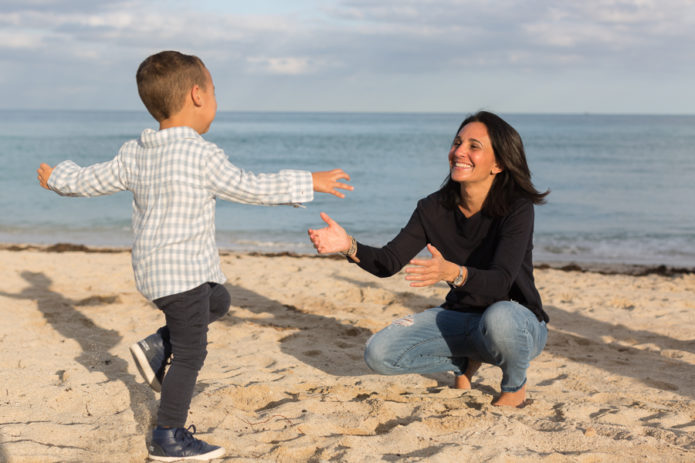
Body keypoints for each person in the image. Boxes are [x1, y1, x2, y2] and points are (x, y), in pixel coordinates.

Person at [37, 50, 353, 461]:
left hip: (155, 273)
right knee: (191, 353)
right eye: (216, 92)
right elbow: (251, 187)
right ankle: (167, 435)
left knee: (218, 299)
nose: (217, 102)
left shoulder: (135, 152)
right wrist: (308, 181)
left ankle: (156, 347)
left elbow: (89, 179)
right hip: (181, 275)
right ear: (198, 95)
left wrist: (57, 177)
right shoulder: (201, 154)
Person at [308, 111, 549, 408]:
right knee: (378, 353)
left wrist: (454, 272)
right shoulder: (432, 208)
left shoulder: (517, 208)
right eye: (457, 143)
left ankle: (514, 386)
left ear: (498, 163)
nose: (459, 152)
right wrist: (349, 246)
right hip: (462, 319)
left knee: (498, 317)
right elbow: (389, 261)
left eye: (474, 146)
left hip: (518, 323)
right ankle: (464, 360)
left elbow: (500, 281)